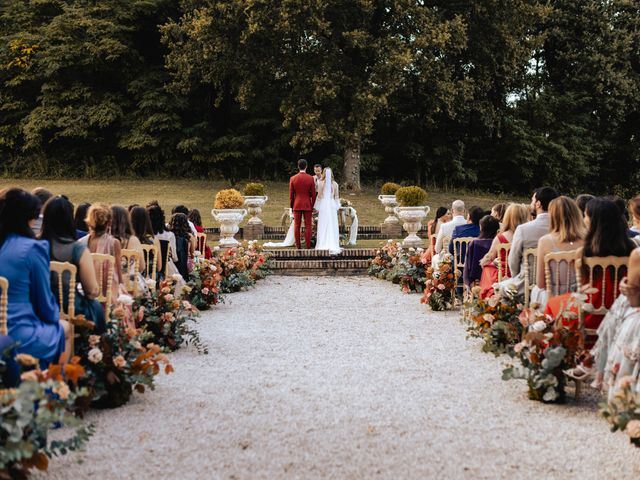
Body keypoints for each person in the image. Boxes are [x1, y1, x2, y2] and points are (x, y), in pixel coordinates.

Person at [546, 198, 636, 336]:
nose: (584, 219)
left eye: (586, 215)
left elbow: (583, 288)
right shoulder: (631, 248)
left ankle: (562, 349)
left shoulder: (584, 252)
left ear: (594, 220)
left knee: (552, 304)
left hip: (590, 311)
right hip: (622, 309)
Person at [0, 188, 68, 366]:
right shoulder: (32, 248)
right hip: (17, 330)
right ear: (30, 218)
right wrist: (55, 317)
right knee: (64, 328)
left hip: (5, 329)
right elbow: (43, 301)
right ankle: (56, 388)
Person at [40, 196, 105, 333]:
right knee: (96, 307)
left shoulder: (33, 246)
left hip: (39, 307)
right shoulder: (77, 249)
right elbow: (92, 291)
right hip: (71, 309)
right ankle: (96, 348)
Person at [499, 187, 559, 295]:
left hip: (525, 285)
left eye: (532, 200)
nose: (531, 204)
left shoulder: (523, 229)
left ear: (538, 204)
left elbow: (513, 260)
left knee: (498, 288)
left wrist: (516, 278)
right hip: (554, 286)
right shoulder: (561, 229)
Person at [532, 197, 585, 308]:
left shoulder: (545, 241)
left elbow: (541, 283)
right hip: (581, 300)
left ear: (553, 216)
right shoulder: (588, 239)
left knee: (537, 290)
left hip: (554, 301)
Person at [479, 203, 530, 298]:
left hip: (504, 274)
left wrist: (483, 262)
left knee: (486, 267)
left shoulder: (501, 237)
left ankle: (488, 297)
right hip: (523, 272)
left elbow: (489, 257)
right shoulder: (528, 236)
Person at [78, 203, 124, 307]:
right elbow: (119, 274)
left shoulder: (80, 243)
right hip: (108, 297)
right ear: (109, 223)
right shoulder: (114, 243)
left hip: (85, 295)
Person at [463, 215, 500, 287]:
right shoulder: (500, 243)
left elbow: (468, 264)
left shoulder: (474, 243)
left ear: (481, 228)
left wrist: (467, 281)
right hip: (496, 276)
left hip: (477, 276)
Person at [289, 158, 316, 249]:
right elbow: (313, 194)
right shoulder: (310, 178)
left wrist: (291, 206)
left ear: (298, 166)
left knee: (297, 225)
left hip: (297, 204)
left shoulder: (293, 178)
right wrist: (312, 205)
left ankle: (298, 246)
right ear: (306, 167)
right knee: (308, 226)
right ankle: (308, 246)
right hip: (307, 204)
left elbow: (291, 195)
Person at [148, 203, 180, 281]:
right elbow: (175, 257)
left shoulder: (146, 237)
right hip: (166, 268)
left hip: (148, 270)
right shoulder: (169, 235)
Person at [111, 206, 146, 274]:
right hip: (128, 282)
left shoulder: (102, 240)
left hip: (105, 282)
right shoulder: (132, 240)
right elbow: (141, 267)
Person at [314, 168, 341, 254]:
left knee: (323, 223)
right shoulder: (335, 184)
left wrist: (316, 206)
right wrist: (337, 206)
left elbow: (319, 196)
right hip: (332, 204)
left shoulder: (321, 183)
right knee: (332, 223)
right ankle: (333, 242)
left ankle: (323, 242)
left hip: (324, 204)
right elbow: (336, 197)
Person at [169, 213, 195, 279]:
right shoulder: (190, 236)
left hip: (171, 265)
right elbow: (192, 254)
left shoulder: (169, 236)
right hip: (186, 265)